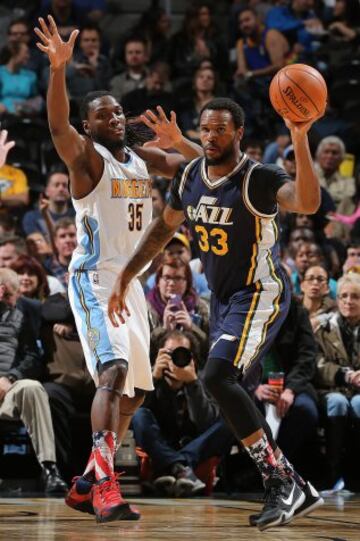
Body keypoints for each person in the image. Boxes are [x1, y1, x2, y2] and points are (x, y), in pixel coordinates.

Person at [108, 97, 325, 531]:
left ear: (239, 133)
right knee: (227, 391)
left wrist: (300, 138)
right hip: (224, 299)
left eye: (220, 130)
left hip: (259, 291)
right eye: (205, 129)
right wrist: (127, 275)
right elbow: (162, 228)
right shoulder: (190, 174)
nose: (211, 137)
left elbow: (306, 202)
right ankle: (287, 484)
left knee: (215, 377)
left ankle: (284, 482)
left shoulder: (259, 178)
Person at [35, 14, 203, 524]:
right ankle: (107, 483)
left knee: (136, 390)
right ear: (91, 127)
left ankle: (87, 479)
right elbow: (58, 125)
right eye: (104, 115)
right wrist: (60, 71)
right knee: (113, 372)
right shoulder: (87, 160)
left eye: (118, 113)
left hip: (132, 284)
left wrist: (181, 143)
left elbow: (201, 174)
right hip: (94, 280)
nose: (115, 119)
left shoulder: (139, 157)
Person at [0, 268, 67, 495]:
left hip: (7, 389)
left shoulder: (23, 313)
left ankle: (50, 470)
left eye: (12, 295)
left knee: (33, 388)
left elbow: (32, 356)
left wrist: (11, 377)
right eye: (7, 295)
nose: (9, 300)